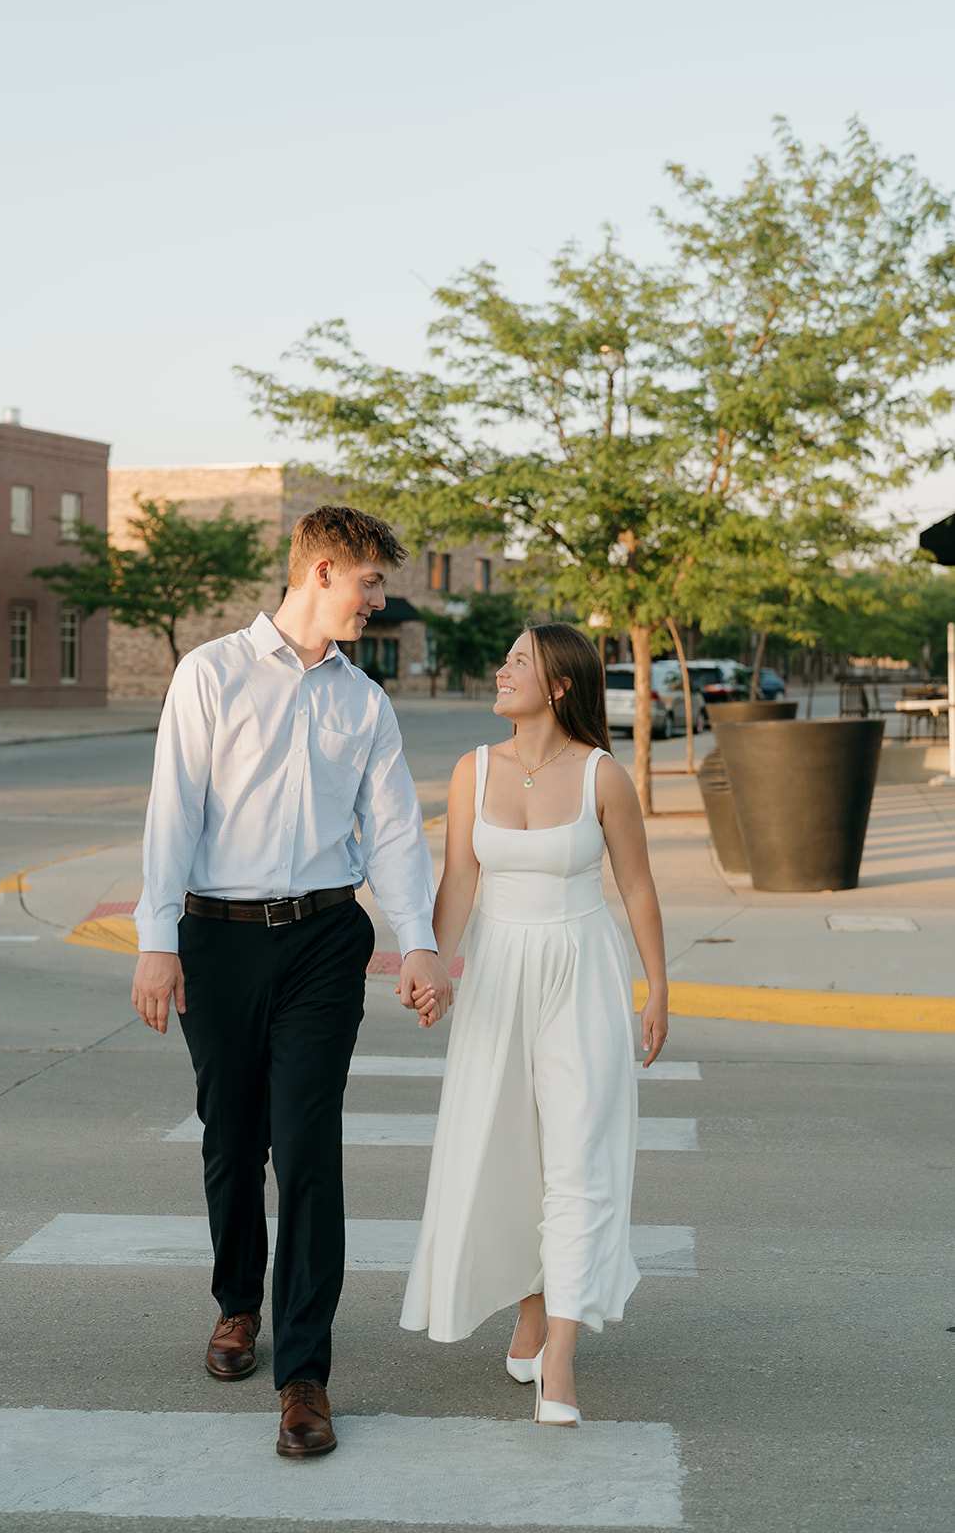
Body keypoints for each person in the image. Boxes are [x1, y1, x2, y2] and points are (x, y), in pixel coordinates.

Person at [131, 504, 452, 1459]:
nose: (377, 600)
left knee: (308, 1147)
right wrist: (158, 941)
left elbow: (393, 832)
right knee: (233, 1138)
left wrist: (419, 941)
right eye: (368, 583)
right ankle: (239, 1305)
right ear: (319, 571)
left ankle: (304, 1373)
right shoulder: (211, 674)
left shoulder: (365, 701)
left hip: (322, 940)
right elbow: (172, 811)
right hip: (218, 938)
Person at [400, 623, 668, 1425]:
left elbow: (639, 889)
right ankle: (527, 1313)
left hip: (581, 970)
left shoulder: (601, 777)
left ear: (557, 686)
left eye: (519, 661)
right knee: (510, 1154)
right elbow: (457, 882)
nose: (501, 669)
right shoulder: (471, 770)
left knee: (577, 1159)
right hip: (496, 976)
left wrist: (657, 989)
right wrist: (434, 969)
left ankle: (559, 1355)